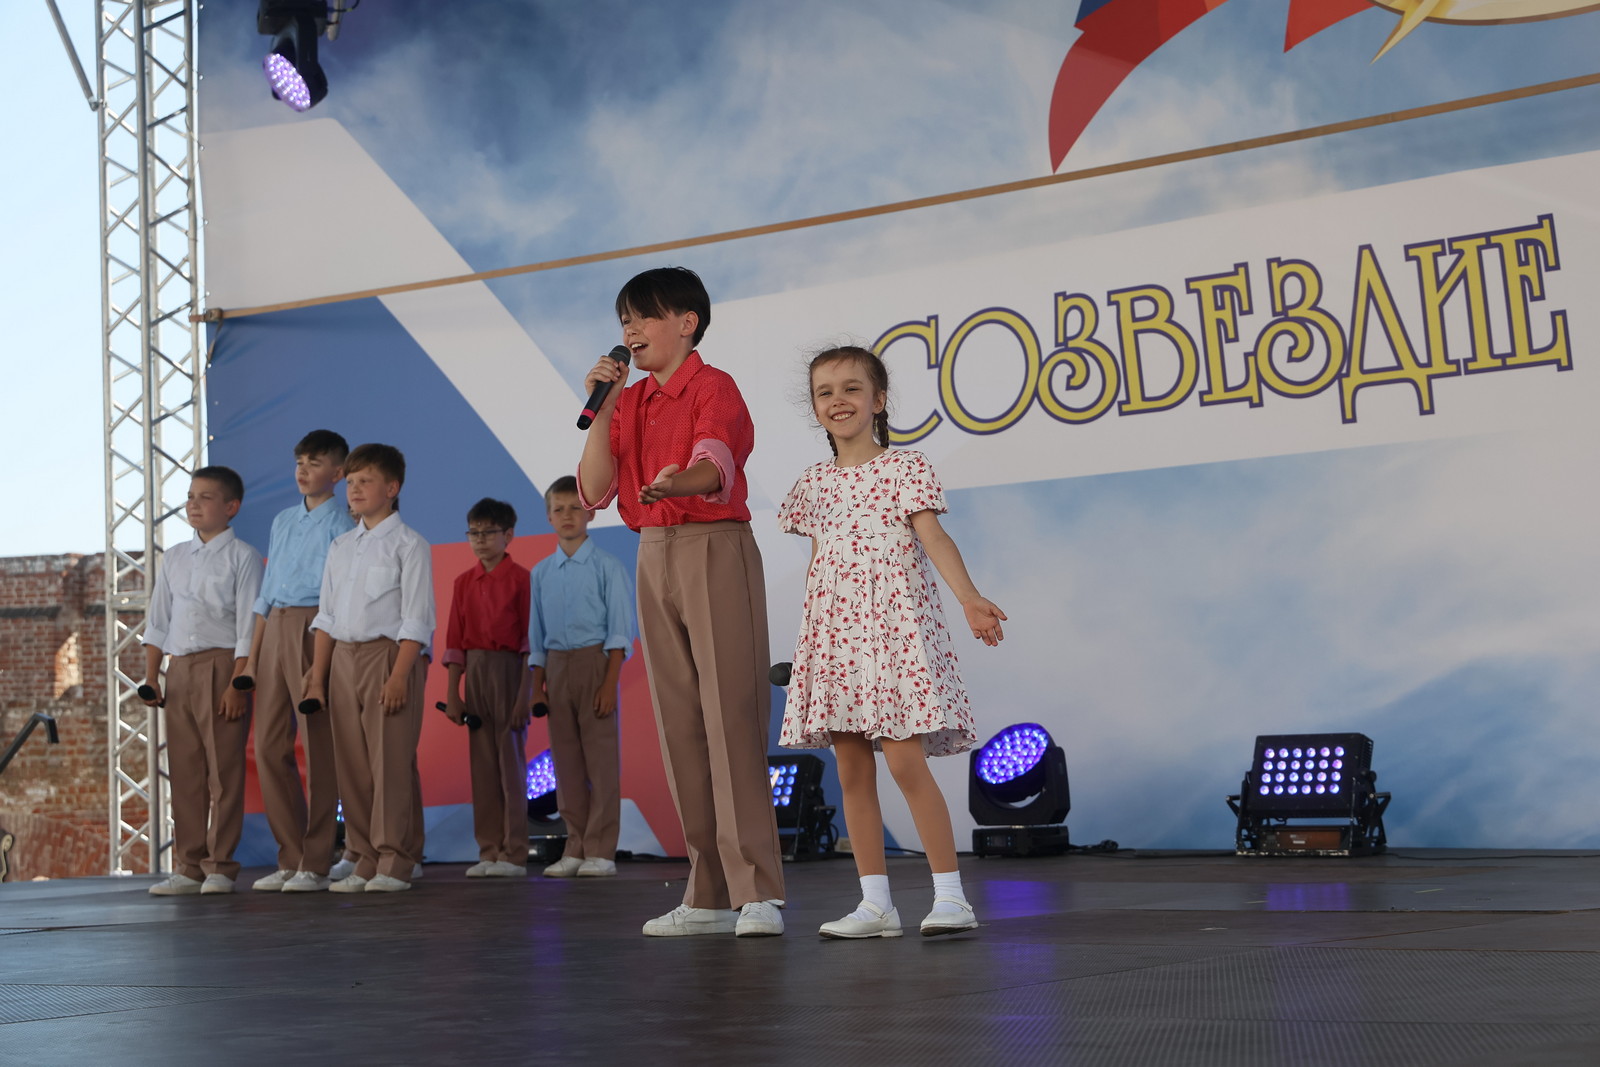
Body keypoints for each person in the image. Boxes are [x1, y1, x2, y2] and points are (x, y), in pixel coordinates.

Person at [577, 266, 786, 937]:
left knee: (731, 717)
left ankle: (757, 890)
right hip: (652, 551)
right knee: (680, 724)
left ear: (687, 322)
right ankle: (708, 892)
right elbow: (593, 488)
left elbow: (715, 462)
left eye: (644, 316)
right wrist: (604, 406)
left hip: (712, 544)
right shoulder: (630, 399)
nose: (631, 330)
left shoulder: (711, 385)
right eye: (624, 320)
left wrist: (678, 483)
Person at [777, 345, 1007, 938]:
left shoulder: (905, 468)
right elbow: (819, 563)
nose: (838, 401)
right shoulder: (813, 484)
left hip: (893, 632)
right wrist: (815, 643)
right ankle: (876, 904)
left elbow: (934, 539)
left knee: (905, 763)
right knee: (852, 770)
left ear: (878, 400)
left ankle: (952, 897)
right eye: (825, 392)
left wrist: (970, 598)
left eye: (852, 388)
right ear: (815, 407)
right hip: (836, 637)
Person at [303, 443, 435, 893]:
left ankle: (394, 861)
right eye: (351, 482)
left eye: (366, 481)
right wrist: (317, 676)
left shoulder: (410, 544)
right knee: (353, 767)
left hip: (388, 657)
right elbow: (326, 616)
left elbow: (416, 618)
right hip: (343, 658)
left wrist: (399, 675)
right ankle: (363, 857)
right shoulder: (341, 546)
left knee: (390, 764)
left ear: (392, 488)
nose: (355, 490)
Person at [141, 466, 264, 895]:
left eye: (205, 497)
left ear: (231, 507)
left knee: (224, 772)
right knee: (185, 771)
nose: (193, 504)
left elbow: (248, 625)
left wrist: (238, 681)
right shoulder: (174, 557)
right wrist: (151, 675)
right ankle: (189, 865)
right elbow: (158, 621)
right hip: (180, 669)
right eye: (190, 496)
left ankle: (220, 866)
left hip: (222, 664)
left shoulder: (243, 557)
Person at [243, 430, 358, 893]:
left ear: (338, 472)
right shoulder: (283, 520)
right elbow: (266, 592)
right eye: (299, 463)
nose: (303, 471)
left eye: (315, 463)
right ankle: (289, 856)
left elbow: (339, 593)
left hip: (316, 624)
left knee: (318, 746)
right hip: (274, 624)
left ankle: (317, 859)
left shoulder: (342, 524)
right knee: (268, 746)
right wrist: (251, 658)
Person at [528, 476, 633, 879]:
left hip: (595, 663)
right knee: (566, 761)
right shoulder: (541, 573)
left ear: (590, 514)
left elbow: (620, 630)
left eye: (575, 508)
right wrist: (537, 685)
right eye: (559, 509)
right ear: (548, 517)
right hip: (556, 666)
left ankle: (601, 849)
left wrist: (609, 682)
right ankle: (575, 844)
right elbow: (536, 636)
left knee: (600, 761)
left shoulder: (608, 567)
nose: (567, 515)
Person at [442, 497, 533, 878]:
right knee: (482, 768)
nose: (479, 540)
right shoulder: (463, 583)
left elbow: (529, 642)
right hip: (475, 673)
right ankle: (488, 851)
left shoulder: (523, 580)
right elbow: (454, 642)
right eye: (473, 533)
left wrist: (525, 695)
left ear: (508, 535)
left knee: (511, 767)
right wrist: (453, 694)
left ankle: (514, 853)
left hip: (510, 669)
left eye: (488, 532)